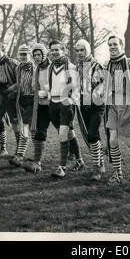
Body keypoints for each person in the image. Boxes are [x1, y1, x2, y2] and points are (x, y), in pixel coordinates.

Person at [104, 35, 130, 185]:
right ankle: (118, 173)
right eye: (109, 45)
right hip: (113, 105)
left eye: (115, 44)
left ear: (121, 46)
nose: (112, 47)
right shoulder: (108, 64)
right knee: (112, 140)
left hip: (128, 106)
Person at [48, 39, 83, 179]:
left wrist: (70, 101)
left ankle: (61, 168)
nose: (55, 52)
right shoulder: (51, 67)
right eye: (52, 50)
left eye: (57, 49)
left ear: (62, 50)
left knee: (62, 134)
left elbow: (76, 87)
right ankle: (80, 161)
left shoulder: (71, 67)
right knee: (69, 134)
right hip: (53, 104)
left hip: (66, 104)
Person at [74, 39, 106, 180]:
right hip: (83, 103)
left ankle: (97, 168)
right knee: (91, 136)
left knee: (92, 134)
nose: (80, 53)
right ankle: (101, 163)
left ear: (88, 50)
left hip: (97, 104)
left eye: (82, 50)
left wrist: (96, 92)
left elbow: (104, 84)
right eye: (78, 50)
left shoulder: (97, 65)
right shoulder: (77, 67)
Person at [23, 43, 51, 173]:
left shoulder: (52, 66)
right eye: (34, 55)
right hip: (42, 105)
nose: (37, 57)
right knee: (40, 132)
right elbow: (34, 86)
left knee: (67, 132)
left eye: (39, 54)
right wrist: (38, 92)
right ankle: (37, 162)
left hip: (56, 104)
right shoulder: (37, 69)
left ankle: (78, 157)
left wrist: (47, 92)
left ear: (44, 54)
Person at [8, 44, 35, 166]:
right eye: (21, 54)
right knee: (31, 130)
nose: (23, 57)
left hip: (33, 100)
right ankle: (36, 153)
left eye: (25, 54)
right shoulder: (18, 68)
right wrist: (11, 88)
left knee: (25, 127)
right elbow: (18, 84)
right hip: (21, 100)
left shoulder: (35, 68)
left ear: (30, 55)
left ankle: (19, 157)